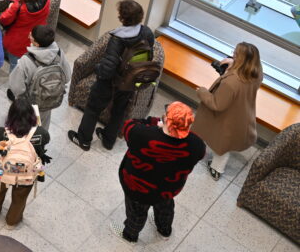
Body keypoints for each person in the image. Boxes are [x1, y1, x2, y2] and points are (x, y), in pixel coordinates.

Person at [110, 102, 205, 243]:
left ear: (166, 120)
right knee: (165, 209)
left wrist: (153, 122)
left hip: (138, 187)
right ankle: (164, 231)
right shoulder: (197, 145)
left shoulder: (142, 134)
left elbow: (129, 125)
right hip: (167, 190)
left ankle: (130, 235)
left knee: (136, 213)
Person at [68, 0, 155, 151]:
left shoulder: (117, 38)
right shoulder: (147, 33)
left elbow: (108, 69)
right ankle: (108, 140)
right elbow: (150, 54)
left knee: (93, 108)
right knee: (119, 111)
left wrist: (98, 68)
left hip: (110, 82)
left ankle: (83, 139)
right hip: (130, 81)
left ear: (122, 17)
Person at [192, 42, 262, 181]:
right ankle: (216, 168)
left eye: (235, 54)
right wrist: (232, 66)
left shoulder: (231, 83)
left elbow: (217, 104)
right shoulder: (256, 74)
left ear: (241, 59)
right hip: (241, 116)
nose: (232, 55)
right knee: (226, 144)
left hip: (224, 118)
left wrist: (202, 92)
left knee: (220, 145)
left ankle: (216, 168)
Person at [0, 96, 50, 228]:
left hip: (3, 171)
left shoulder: (2, 133)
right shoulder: (41, 134)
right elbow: (46, 140)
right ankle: (12, 221)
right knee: (20, 198)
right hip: (28, 173)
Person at [8, 25, 70, 131]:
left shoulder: (26, 60)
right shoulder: (59, 53)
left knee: (27, 129)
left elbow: (17, 89)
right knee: (42, 127)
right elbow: (67, 77)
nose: (29, 35)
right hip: (50, 100)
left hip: (30, 105)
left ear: (36, 43)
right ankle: (40, 144)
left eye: (31, 35)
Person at [0, 0, 51, 72]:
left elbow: (4, 19)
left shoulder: (18, 6)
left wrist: (11, 6)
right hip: (36, 38)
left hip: (18, 43)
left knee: (16, 66)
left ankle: (15, 86)